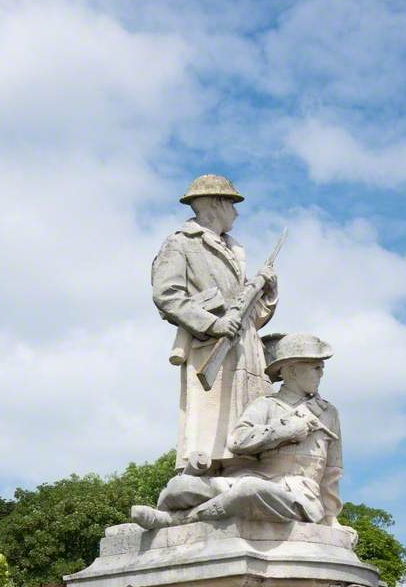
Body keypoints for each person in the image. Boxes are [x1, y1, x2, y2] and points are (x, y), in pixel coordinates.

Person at [132, 333, 347, 529]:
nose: (321, 373)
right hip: (258, 479)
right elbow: (238, 440)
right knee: (180, 487)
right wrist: (285, 430)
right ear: (292, 371)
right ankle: (177, 511)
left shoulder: (328, 413)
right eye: (316, 367)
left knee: (248, 491)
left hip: (300, 496)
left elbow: (331, 474)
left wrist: (332, 520)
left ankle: (177, 520)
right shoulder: (266, 405)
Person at [151, 174, 278, 470]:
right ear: (218, 203)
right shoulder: (180, 243)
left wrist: (267, 291)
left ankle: (243, 464)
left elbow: (254, 315)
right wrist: (212, 323)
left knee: (246, 417)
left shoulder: (235, 250)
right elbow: (166, 296)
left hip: (244, 344)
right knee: (210, 425)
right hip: (211, 344)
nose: (236, 212)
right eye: (232, 204)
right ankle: (207, 469)